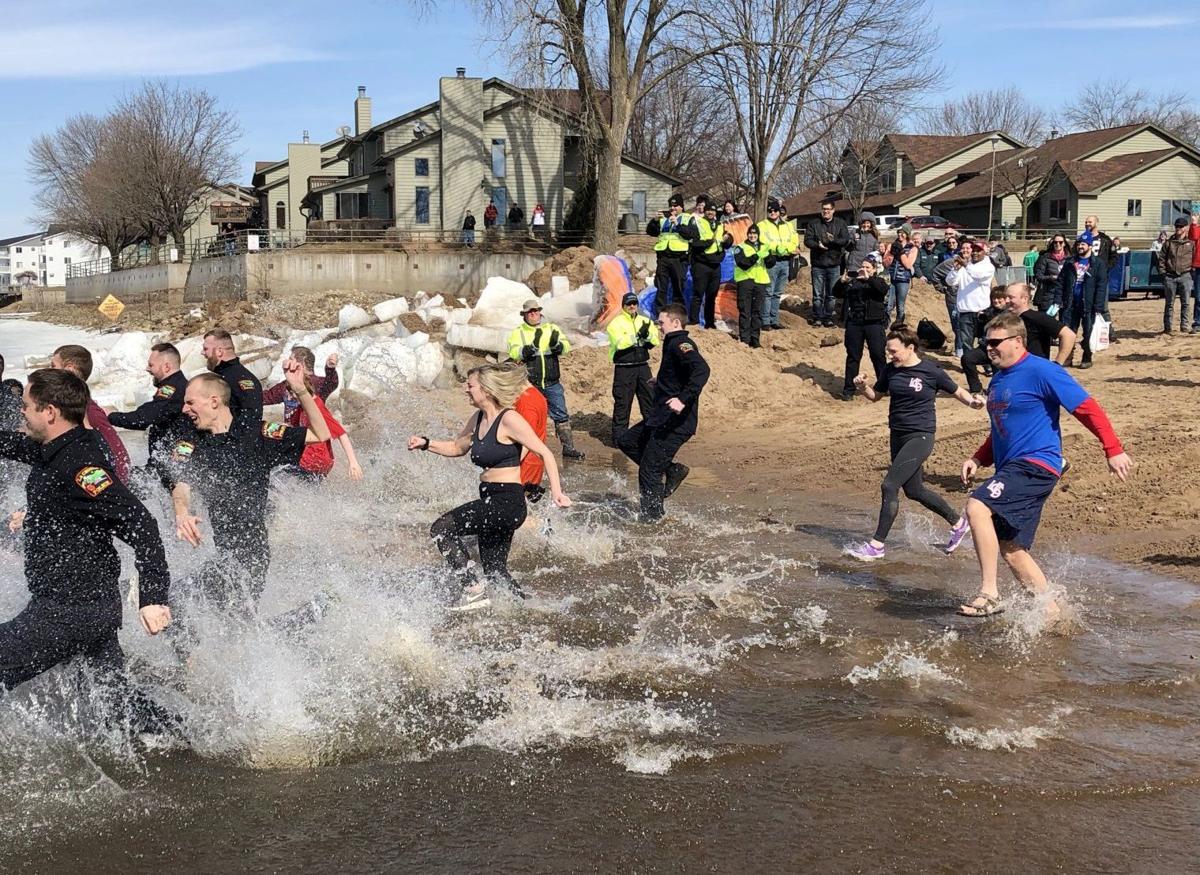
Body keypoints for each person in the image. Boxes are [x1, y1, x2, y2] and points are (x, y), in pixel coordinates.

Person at [0, 369, 173, 729]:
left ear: (50, 412)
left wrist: (153, 596)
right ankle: (195, 736)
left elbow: (141, 523)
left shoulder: (80, 466)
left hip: (69, 611)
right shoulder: (58, 449)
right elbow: (13, 445)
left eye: (27, 406)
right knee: (118, 705)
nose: (22, 412)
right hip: (89, 608)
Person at [957, 311, 1132, 617]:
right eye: (987, 343)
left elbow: (1088, 409)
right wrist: (978, 457)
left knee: (977, 506)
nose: (989, 348)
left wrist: (1113, 449)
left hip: (1036, 464)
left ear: (1017, 341)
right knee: (1011, 548)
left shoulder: (1042, 371)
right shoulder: (998, 379)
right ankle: (1053, 615)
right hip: (1012, 467)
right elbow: (1001, 427)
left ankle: (989, 593)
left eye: (996, 342)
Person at [408, 363, 570, 611]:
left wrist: (557, 493)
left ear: (486, 389)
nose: (465, 389)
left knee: (441, 528)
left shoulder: (509, 419)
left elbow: (545, 452)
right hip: (491, 500)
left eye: (470, 385)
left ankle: (473, 589)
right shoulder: (477, 419)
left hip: (506, 502)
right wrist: (425, 443)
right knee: (495, 570)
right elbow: (456, 447)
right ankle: (528, 610)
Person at [166, 365, 331, 605]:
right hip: (224, 555)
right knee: (180, 599)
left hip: (253, 553)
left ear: (214, 402)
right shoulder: (190, 444)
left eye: (190, 402)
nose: (185, 409)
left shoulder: (257, 432)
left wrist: (301, 391)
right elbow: (181, 483)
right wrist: (182, 513)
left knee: (228, 613)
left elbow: (320, 434)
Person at [845, 324, 984, 561]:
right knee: (914, 490)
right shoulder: (891, 370)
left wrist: (973, 403)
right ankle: (959, 523)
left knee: (889, 486)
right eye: (888, 351)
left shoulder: (932, 371)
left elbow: (957, 391)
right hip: (897, 435)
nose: (890, 355)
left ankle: (877, 546)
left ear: (910, 348)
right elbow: (875, 396)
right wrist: (862, 387)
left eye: (894, 351)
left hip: (920, 436)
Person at [617, 304, 710, 521]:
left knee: (648, 471)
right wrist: (661, 381)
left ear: (676, 323)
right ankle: (672, 469)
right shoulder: (672, 343)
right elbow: (679, 372)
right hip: (660, 416)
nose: (659, 327)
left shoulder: (681, 344)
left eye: (662, 323)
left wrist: (682, 399)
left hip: (675, 422)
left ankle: (652, 519)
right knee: (627, 441)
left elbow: (701, 370)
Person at [506, 298, 585, 460]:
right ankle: (525, 448)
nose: (533, 314)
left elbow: (566, 347)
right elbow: (513, 352)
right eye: (530, 312)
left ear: (540, 312)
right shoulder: (518, 332)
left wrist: (558, 346)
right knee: (527, 416)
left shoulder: (552, 329)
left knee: (561, 414)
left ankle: (568, 448)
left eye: (535, 311)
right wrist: (527, 350)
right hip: (529, 384)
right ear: (524, 315)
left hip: (551, 381)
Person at [107, 342, 189, 487]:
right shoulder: (177, 385)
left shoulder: (172, 389)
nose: (147, 369)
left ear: (166, 367)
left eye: (151, 365)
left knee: (123, 485)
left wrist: (110, 415)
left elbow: (143, 418)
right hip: (164, 464)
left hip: (170, 466)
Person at [272, 352, 363, 483]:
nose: (290, 397)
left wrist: (353, 462)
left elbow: (342, 434)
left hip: (315, 461)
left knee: (278, 477)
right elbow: (291, 428)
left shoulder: (317, 407)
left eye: (291, 393)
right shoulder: (300, 407)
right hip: (312, 461)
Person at [50, 345, 131, 485]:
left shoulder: (81, 406)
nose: (49, 371)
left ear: (69, 368)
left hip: (111, 475)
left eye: (53, 366)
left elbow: (115, 454)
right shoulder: (78, 401)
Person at [606, 291, 660, 444]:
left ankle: (652, 437)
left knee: (649, 401)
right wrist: (636, 337)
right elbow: (619, 343)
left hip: (642, 366)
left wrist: (647, 337)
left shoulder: (645, 321)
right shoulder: (615, 323)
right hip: (624, 368)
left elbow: (655, 340)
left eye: (634, 303)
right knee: (623, 403)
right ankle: (619, 440)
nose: (632, 306)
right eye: (628, 304)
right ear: (623, 306)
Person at [833, 256, 889, 401]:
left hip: (874, 323)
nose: (863, 270)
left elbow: (883, 289)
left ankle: (884, 386)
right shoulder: (854, 282)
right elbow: (837, 293)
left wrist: (868, 278)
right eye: (862, 267)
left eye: (868, 267)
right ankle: (848, 390)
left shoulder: (878, 281)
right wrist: (842, 281)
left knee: (878, 354)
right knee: (853, 356)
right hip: (855, 323)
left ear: (874, 270)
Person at [1057, 238, 1107, 368]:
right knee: (1069, 331)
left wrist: (1099, 306)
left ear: (1089, 246)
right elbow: (1061, 282)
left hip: (1088, 305)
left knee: (1088, 332)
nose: (1080, 246)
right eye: (1078, 244)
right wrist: (1058, 300)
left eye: (1083, 244)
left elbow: (1101, 286)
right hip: (1070, 303)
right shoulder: (1070, 262)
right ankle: (1067, 358)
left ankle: (1087, 357)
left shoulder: (1098, 264)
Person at [803, 197, 851, 327]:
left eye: (828, 209)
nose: (826, 212)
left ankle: (828, 317)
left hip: (834, 264)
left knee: (831, 294)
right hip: (818, 263)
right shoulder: (814, 224)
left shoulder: (840, 224)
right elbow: (807, 240)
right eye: (824, 209)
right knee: (818, 294)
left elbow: (845, 240)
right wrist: (817, 245)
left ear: (833, 210)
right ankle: (817, 317)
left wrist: (833, 241)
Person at [949, 240, 996, 371]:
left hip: (982, 311)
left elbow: (978, 276)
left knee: (985, 341)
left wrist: (965, 265)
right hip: (965, 310)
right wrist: (955, 270)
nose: (975, 253)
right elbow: (951, 281)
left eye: (978, 250)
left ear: (984, 252)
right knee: (966, 343)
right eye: (973, 250)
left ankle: (988, 366)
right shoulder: (966, 266)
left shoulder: (988, 266)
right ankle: (970, 367)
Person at [1005, 282, 1075, 363]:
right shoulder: (1005, 319)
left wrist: (1057, 364)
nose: (1006, 300)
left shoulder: (1037, 318)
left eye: (1011, 297)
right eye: (1006, 297)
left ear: (1024, 298)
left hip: (1035, 369)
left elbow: (1069, 335)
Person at [757, 198, 799, 331]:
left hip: (785, 261)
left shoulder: (787, 225)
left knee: (777, 293)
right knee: (768, 292)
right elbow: (764, 241)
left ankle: (774, 320)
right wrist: (778, 248)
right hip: (772, 261)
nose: (772, 212)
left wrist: (787, 249)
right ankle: (765, 321)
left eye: (775, 210)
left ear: (779, 212)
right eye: (770, 210)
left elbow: (794, 240)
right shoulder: (762, 225)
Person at [959, 286, 1010, 395]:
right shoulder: (987, 312)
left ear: (1006, 299)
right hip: (985, 347)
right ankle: (976, 389)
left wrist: (988, 317)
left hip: (1002, 350)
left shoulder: (1011, 314)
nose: (996, 301)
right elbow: (978, 333)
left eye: (999, 298)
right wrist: (980, 320)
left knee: (998, 381)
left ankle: (998, 389)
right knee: (967, 358)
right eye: (993, 298)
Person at [202, 329, 263, 420]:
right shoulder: (224, 376)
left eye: (205, 349)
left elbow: (251, 417)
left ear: (219, 351)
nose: (202, 352)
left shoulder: (240, 378)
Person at [646, 193, 693, 309]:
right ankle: (660, 314)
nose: (673, 208)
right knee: (661, 287)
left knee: (678, 287)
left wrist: (677, 224)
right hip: (663, 257)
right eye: (671, 206)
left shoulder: (688, 218)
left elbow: (691, 235)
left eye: (676, 206)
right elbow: (651, 232)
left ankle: (678, 313)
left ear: (681, 207)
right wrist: (655, 220)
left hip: (679, 258)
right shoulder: (663, 219)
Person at [262, 347, 339, 408]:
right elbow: (266, 397)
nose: (287, 362)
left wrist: (330, 369)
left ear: (300, 364)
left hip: (312, 427)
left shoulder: (319, 384)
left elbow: (331, 383)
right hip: (292, 428)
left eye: (291, 359)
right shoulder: (286, 385)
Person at [688, 199, 725, 328]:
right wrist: (707, 243)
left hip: (715, 264)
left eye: (713, 210)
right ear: (705, 210)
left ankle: (710, 323)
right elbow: (693, 242)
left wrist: (728, 241)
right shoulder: (698, 222)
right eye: (708, 210)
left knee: (711, 296)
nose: (710, 212)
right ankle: (694, 321)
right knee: (698, 294)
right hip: (701, 263)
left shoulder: (720, 225)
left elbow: (722, 242)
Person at [733, 223, 770, 348]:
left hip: (760, 281)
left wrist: (769, 255)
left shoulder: (763, 246)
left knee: (757, 311)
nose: (752, 235)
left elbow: (770, 264)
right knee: (745, 310)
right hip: (745, 281)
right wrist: (756, 256)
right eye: (750, 233)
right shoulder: (740, 247)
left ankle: (755, 339)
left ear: (758, 235)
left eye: (755, 233)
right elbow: (742, 263)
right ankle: (745, 338)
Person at [1157, 217, 1195, 334]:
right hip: (1170, 276)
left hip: (1186, 275)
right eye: (1176, 226)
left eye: (1180, 226)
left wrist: (1192, 271)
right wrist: (1163, 273)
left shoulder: (1191, 243)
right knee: (1169, 303)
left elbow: (1195, 257)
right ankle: (1167, 327)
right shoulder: (1169, 243)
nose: (1178, 228)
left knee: (1186, 302)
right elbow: (1162, 259)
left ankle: (1185, 326)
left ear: (1186, 228)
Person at [514, 382, 549, 503]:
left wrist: (510, 463)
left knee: (518, 509)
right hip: (534, 461)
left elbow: (527, 440)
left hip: (525, 463)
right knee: (528, 506)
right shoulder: (536, 394)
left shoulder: (526, 401)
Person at [887, 228, 918, 323]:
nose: (900, 234)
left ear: (907, 234)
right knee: (888, 304)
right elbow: (886, 263)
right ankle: (885, 325)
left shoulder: (912, 248)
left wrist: (901, 252)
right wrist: (892, 252)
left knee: (900, 305)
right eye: (899, 232)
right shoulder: (891, 245)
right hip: (891, 278)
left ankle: (899, 325)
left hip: (903, 279)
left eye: (903, 233)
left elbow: (908, 265)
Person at [1033, 235, 1069, 313]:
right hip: (1048, 293)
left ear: (1064, 244)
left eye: (1060, 242)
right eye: (1055, 242)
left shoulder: (1069, 258)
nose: (1058, 244)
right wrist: (1051, 277)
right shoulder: (1045, 257)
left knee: (1064, 322)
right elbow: (1038, 275)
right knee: (1047, 320)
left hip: (1064, 293)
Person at [1189, 213, 1200, 331]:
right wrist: (1194, 223)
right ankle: (1197, 322)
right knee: (1199, 296)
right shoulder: (1198, 228)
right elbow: (1193, 236)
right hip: (1198, 266)